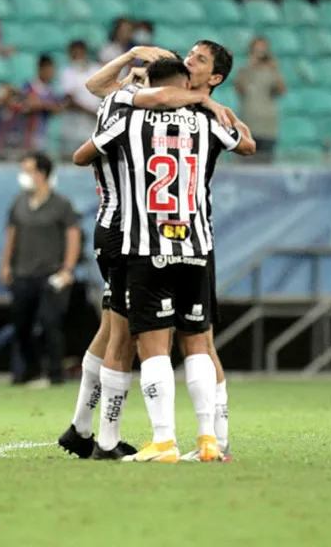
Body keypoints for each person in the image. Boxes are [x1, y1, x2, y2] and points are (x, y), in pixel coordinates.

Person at [73, 54, 255, 463]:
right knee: (199, 343)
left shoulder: (128, 117)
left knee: (141, 341)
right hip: (196, 243)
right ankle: (210, 439)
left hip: (143, 242)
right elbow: (247, 146)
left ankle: (160, 440)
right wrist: (216, 110)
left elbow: (82, 156)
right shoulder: (209, 121)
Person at [0, 152, 81, 386]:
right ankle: (30, 369)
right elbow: (11, 235)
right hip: (23, 273)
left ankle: (55, 372)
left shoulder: (61, 205)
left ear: (42, 174)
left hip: (51, 273)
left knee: (49, 322)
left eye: (28, 170)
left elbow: (72, 236)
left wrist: (67, 269)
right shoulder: (19, 203)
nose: (23, 176)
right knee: (21, 325)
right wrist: (6, 264)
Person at [234, 37, 286, 157]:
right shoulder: (244, 70)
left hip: (267, 127)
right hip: (247, 125)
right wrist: (251, 64)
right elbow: (239, 88)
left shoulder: (272, 71)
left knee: (265, 165)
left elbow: (281, 90)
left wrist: (275, 69)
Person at [58, 40, 103, 151]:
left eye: (79, 53)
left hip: (94, 123)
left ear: (85, 52)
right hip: (74, 124)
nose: (77, 56)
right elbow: (69, 100)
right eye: (74, 54)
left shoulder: (96, 69)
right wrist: (91, 112)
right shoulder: (67, 72)